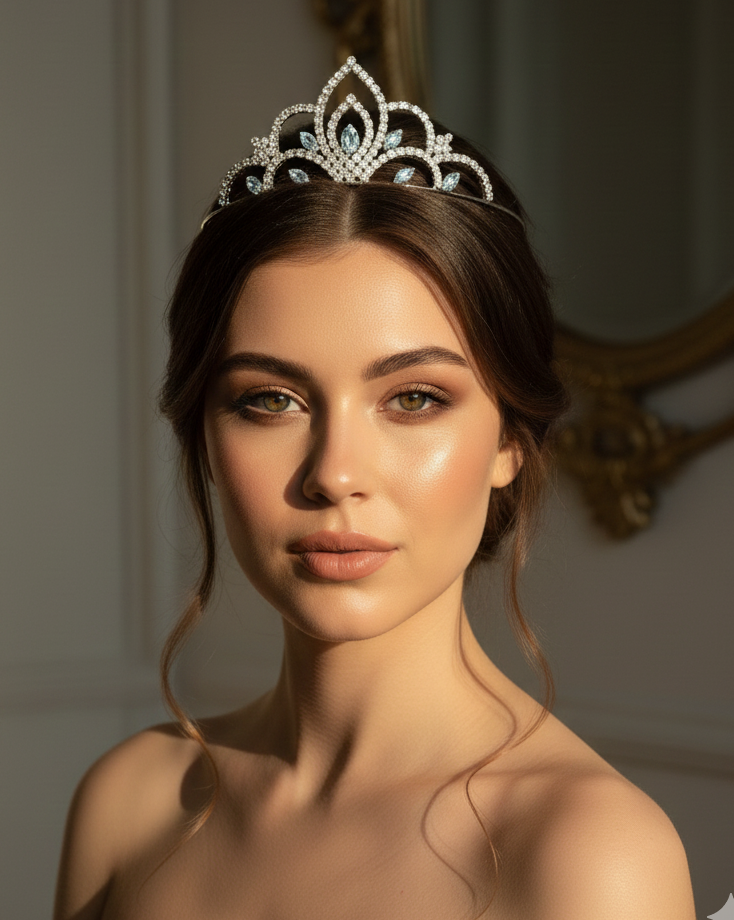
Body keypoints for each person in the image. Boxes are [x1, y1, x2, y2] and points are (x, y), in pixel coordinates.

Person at [54, 58, 696, 920]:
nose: (335, 473)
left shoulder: (589, 856)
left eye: (414, 399)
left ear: (510, 438)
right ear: (203, 435)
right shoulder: (130, 800)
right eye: (269, 401)